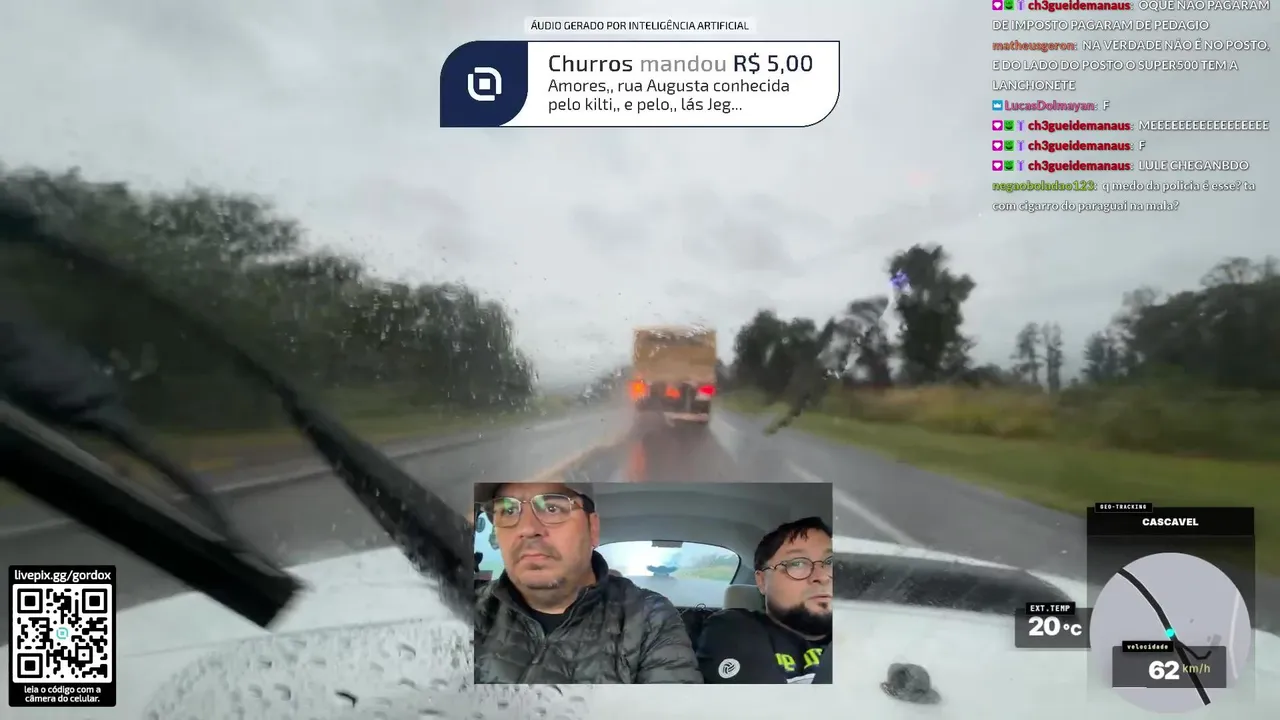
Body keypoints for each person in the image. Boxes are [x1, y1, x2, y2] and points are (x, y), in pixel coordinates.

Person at [472, 481, 702, 684]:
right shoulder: (466, 610)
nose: (527, 528)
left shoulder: (650, 619)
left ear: (593, 528)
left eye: (552, 508)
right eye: (508, 510)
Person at [695, 516, 834, 684]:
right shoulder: (734, 628)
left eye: (830, 562)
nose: (823, 576)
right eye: (797, 563)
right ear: (761, 581)